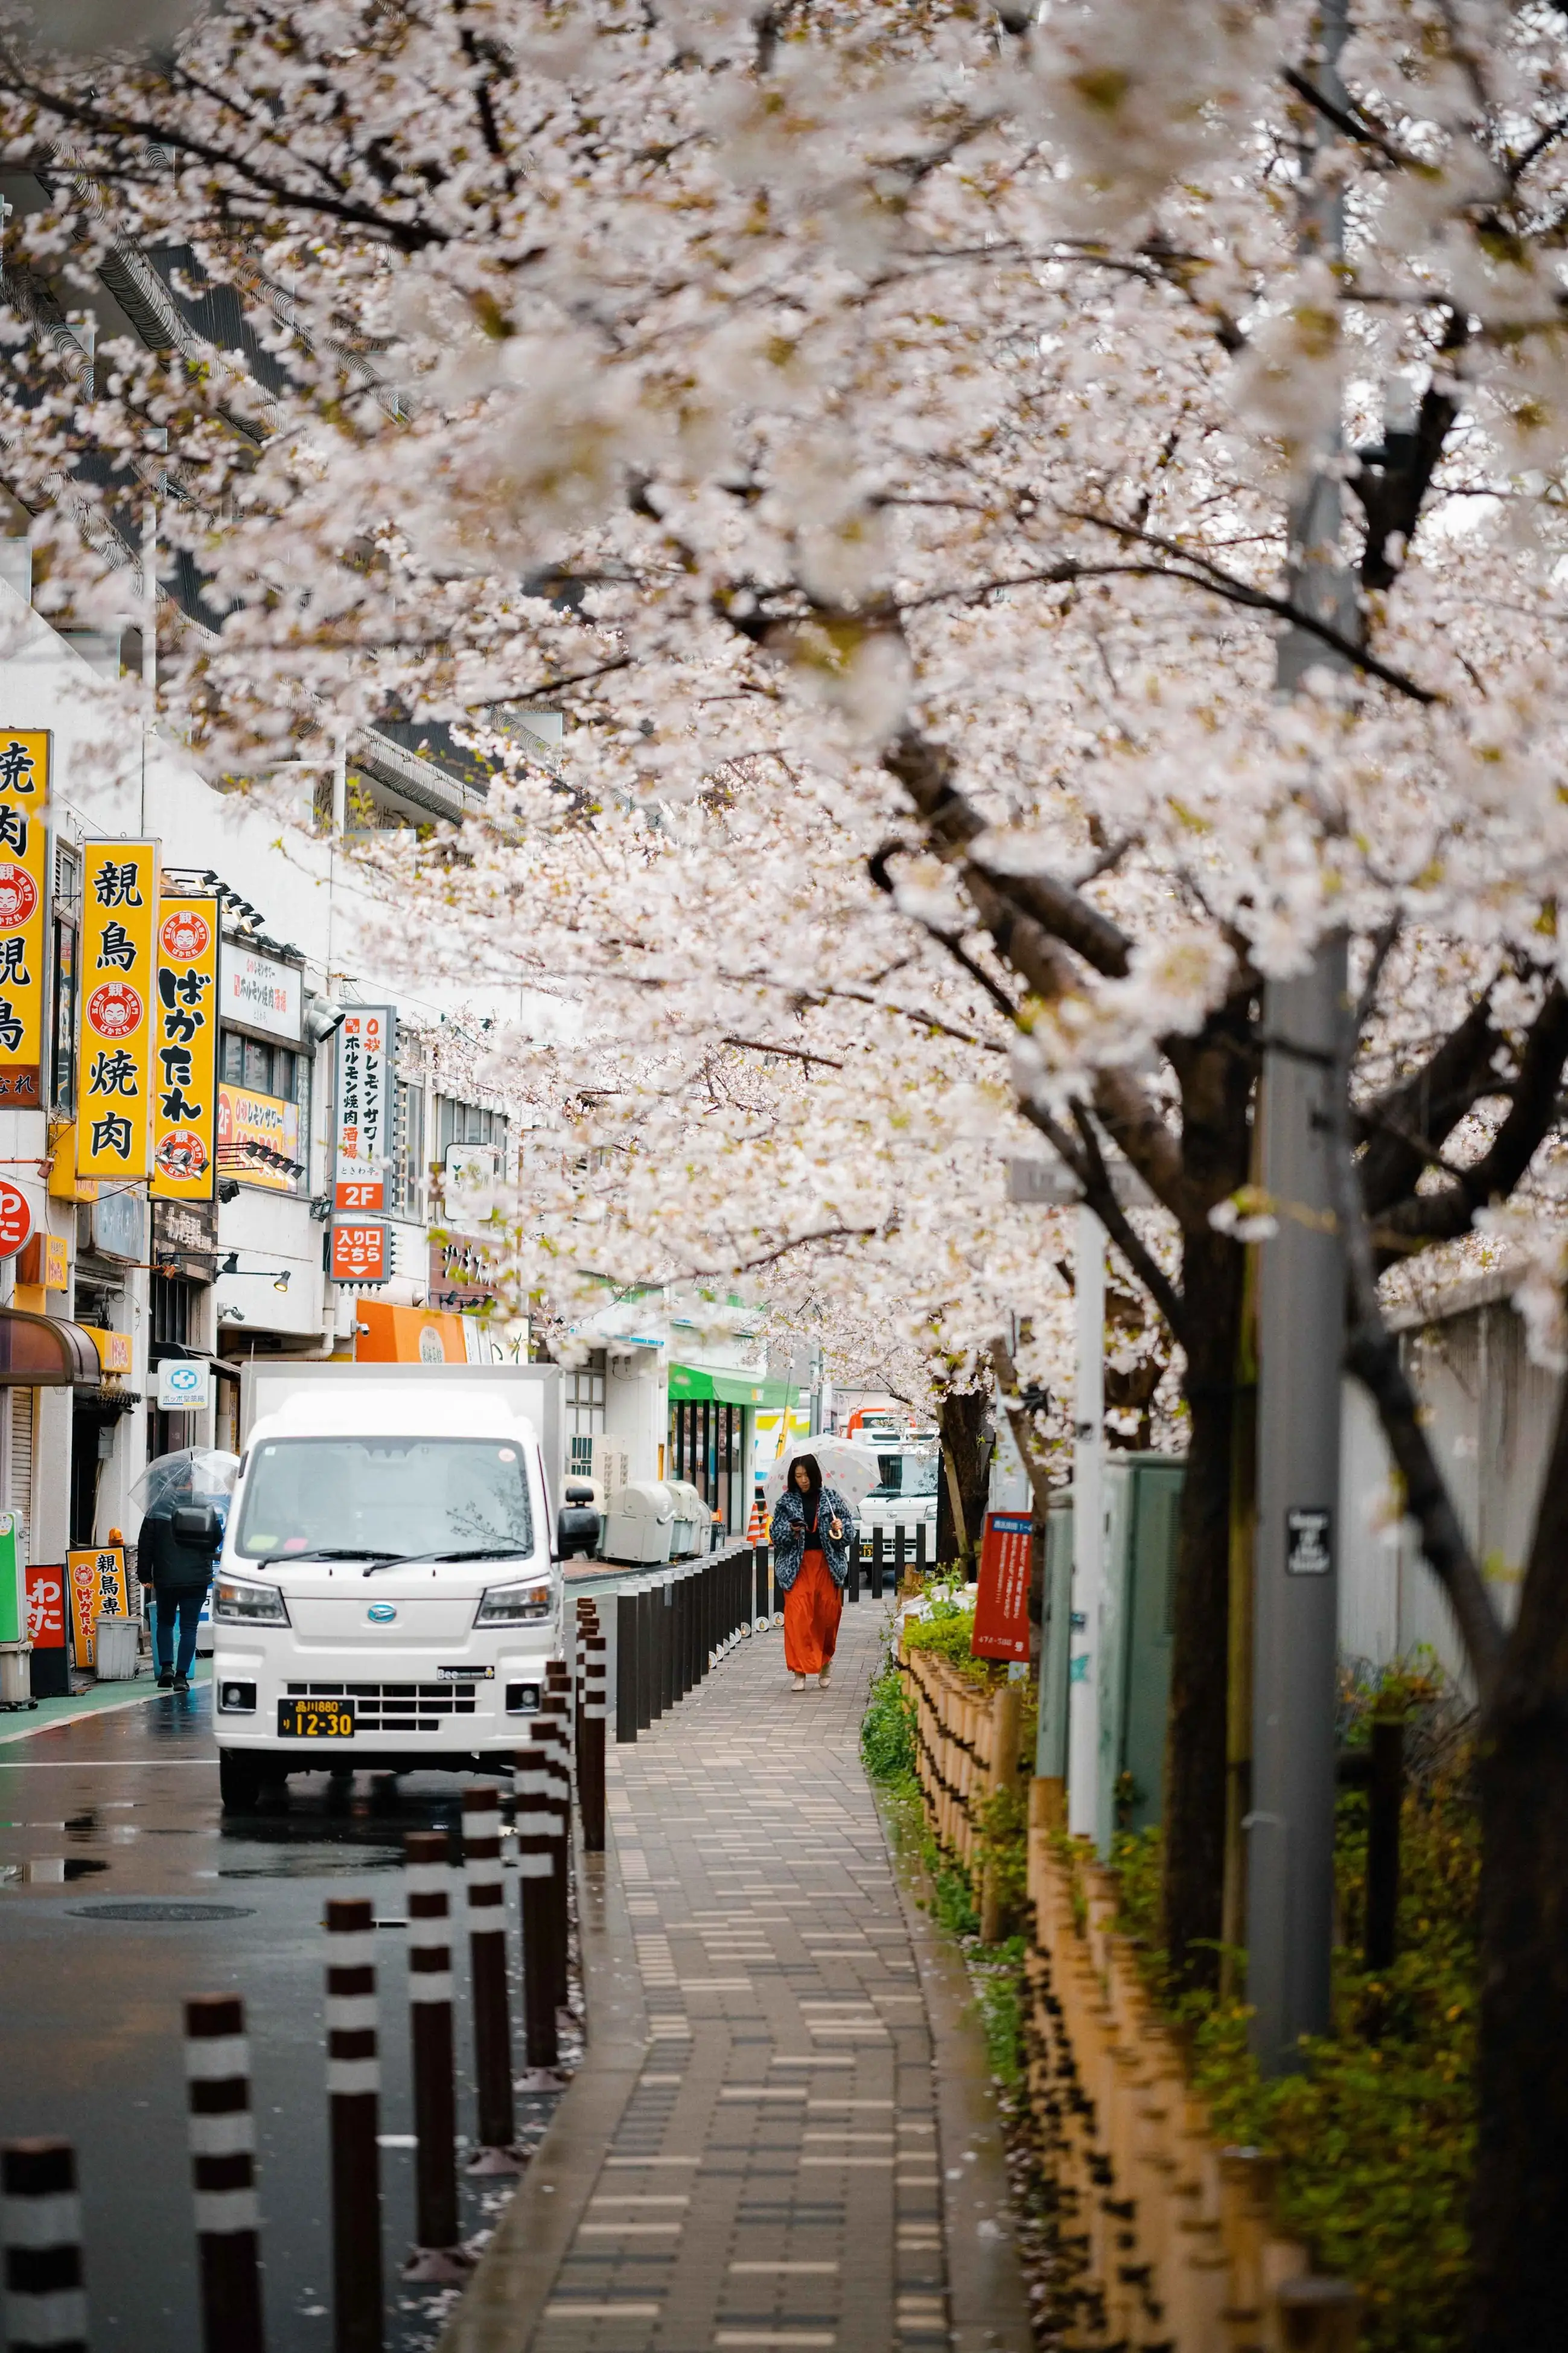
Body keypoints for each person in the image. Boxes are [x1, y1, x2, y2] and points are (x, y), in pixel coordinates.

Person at [770, 1454, 857, 1693]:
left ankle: (825, 1663)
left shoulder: (831, 1499)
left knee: (826, 1618)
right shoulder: (786, 1502)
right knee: (798, 1619)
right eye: (798, 1476)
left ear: (815, 1475)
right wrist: (791, 1530)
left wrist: (839, 1529)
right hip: (797, 1568)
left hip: (827, 1567)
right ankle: (799, 1671)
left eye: (807, 1475)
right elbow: (776, 1536)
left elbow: (849, 1536)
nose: (803, 1480)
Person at [136, 1478, 217, 1691]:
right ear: (192, 1481)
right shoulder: (204, 1505)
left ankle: (166, 1669)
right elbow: (216, 1538)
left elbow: (146, 1543)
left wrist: (145, 1575)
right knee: (189, 1628)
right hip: (197, 1578)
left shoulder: (158, 1507)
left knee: (165, 1622)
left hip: (166, 1577)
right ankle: (181, 1677)